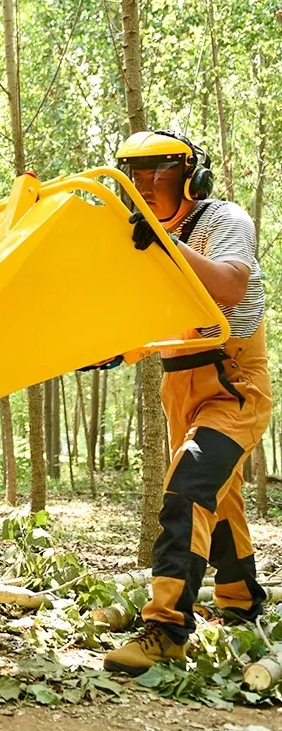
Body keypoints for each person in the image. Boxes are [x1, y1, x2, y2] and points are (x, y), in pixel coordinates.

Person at [101, 129, 273, 677]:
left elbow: (229, 288)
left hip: (234, 383)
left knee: (189, 488)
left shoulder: (225, 221)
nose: (147, 183)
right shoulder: (139, 234)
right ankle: (241, 603)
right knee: (220, 501)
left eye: (160, 171)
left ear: (190, 175)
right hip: (179, 385)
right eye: (136, 172)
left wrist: (165, 244)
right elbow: (138, 320)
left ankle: (167, 629)